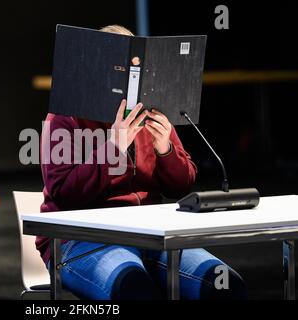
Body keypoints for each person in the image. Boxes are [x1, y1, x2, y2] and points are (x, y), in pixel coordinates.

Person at [36, 25, 246, 300]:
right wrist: (113, 148)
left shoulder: (151, 110)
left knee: (225, 285)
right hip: (80, 239)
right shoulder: (66, 115)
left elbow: (182, 185)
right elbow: (64, 192)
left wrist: (165, 149)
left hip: (149, 234)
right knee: (134, 288)